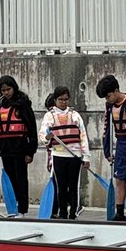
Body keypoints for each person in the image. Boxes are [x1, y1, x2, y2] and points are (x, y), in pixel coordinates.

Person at [95, 74, 126, 222]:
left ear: (116, 90)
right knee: (119, 179)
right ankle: (120, 211)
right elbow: (107, 129)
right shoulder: (109, 105)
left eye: (108, 96)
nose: (107, 99)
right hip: (120, 144)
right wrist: (107, 150)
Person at [37, 85, 89, 220]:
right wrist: (47, 138)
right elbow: (42, 135)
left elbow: (83, 136)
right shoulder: (50, 116)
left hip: (75, 156)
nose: (64, 102)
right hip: (58, 155)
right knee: (61, 186)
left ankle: (73, 214)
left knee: (73, 186)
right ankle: (62, 213)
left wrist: (86, 157)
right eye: (61, 99)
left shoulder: (75, 115)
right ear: (55, 100)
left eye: (66, 99)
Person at [0, 74, 37, 219]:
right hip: (5, 148)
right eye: (3, 90)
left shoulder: (22, 103)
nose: (6, 92)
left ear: (14, 88)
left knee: (21, 179)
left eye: (8, 89)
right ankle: (13, 207)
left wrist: (31, 151)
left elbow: (31, 128)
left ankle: (22, 209)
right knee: (10, 179)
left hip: (20, 148)